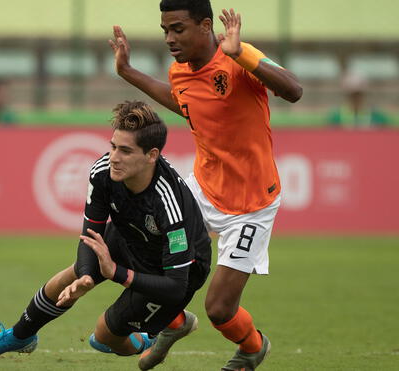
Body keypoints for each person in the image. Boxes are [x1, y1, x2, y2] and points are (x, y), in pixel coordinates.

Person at [108, 1, 303, 370]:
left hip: (251, 205)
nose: (169, 38)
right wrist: (128, 72)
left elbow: (294, 90)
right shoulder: (180, 71)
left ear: (205, 26)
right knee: (131, 242)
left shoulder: (238, 58)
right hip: (201, 190)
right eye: (165, 29)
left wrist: (242, 54)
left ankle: (252, 347)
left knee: (219, 309)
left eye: (178, 29)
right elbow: (182, 102)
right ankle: (173, 322)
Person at [0, 100, 212, 369]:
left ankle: (160, 329)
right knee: (75, 272)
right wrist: (88, 276)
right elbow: (90, 233)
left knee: (103, 338)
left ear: (151, 155)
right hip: (130, 236)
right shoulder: (103, 172)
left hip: (175, 269)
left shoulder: (168, 204)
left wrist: (116, 272)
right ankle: (19, 336)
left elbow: (176, 285)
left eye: (125, 151)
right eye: (113, 146)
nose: (114, 157)